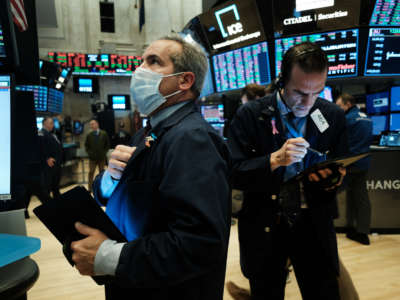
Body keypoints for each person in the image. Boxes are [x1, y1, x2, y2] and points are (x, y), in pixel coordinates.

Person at [70, 35, 231, 300]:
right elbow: (124, 195)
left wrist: (108, 256)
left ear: (185, 80)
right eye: (141, 61)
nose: (139, 70)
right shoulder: (151, 132)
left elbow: (199, 244)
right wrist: (110, 179)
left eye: (154, 62)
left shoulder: (191, 138)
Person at [228, 42, 348, 299]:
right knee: (266, 292)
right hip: (265, 224)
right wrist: (273, 160)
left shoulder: (333, 115)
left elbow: (343, 166)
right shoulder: (250, 114)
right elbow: (233, 171)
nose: (308, 102)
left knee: (322, 291)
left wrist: (333, 179)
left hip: (314, 224)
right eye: (299, 92)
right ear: (282, 80)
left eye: (317, 92)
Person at [336, 93, 373, 245]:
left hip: (348, 164)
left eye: (339, 106)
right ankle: (362, 232)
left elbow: (340, 142)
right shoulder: (367, 117)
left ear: (347, 104)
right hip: (363, 163)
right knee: (361, 198)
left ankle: (335, 227)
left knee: (332, 193)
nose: (338, 109)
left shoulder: (347, 119)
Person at [39, 117, 63, 201]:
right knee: (48, 188)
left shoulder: (51, 134)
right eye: (51, 123)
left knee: (55, 187)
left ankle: (58, 206)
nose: (53, 125)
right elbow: (40, 148)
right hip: (49, 166)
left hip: (56, 164)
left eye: (53, 123)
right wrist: (47, 158)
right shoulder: (41, 133)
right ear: (44, 123)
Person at [85, 119, 110, 193]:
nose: (92, 126)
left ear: (97, 124)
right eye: (91, 124)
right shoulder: (89, 135)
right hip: (92, 158)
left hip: (101, 157)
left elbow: (107, 144)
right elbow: (86, 145)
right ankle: (90, 188)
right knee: (91, 172)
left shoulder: (104, 133)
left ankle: (101, 187)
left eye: (93, 124)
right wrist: (90, 153)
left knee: (102, 172)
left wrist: (104, 152)